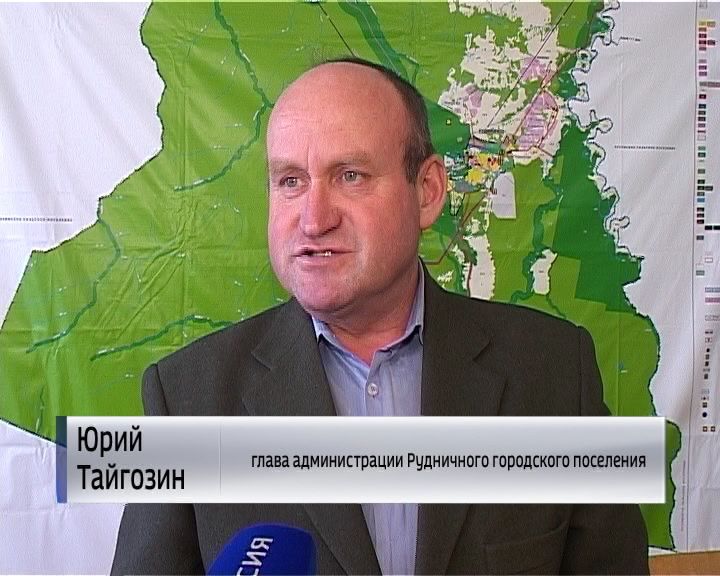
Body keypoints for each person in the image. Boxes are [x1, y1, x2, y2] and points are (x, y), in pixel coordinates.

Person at [112, 58, 649, 575]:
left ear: (428, 191)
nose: (314, 220)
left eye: (350, 175)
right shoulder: (185, 401)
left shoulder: (557, 374)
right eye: (291, 181)